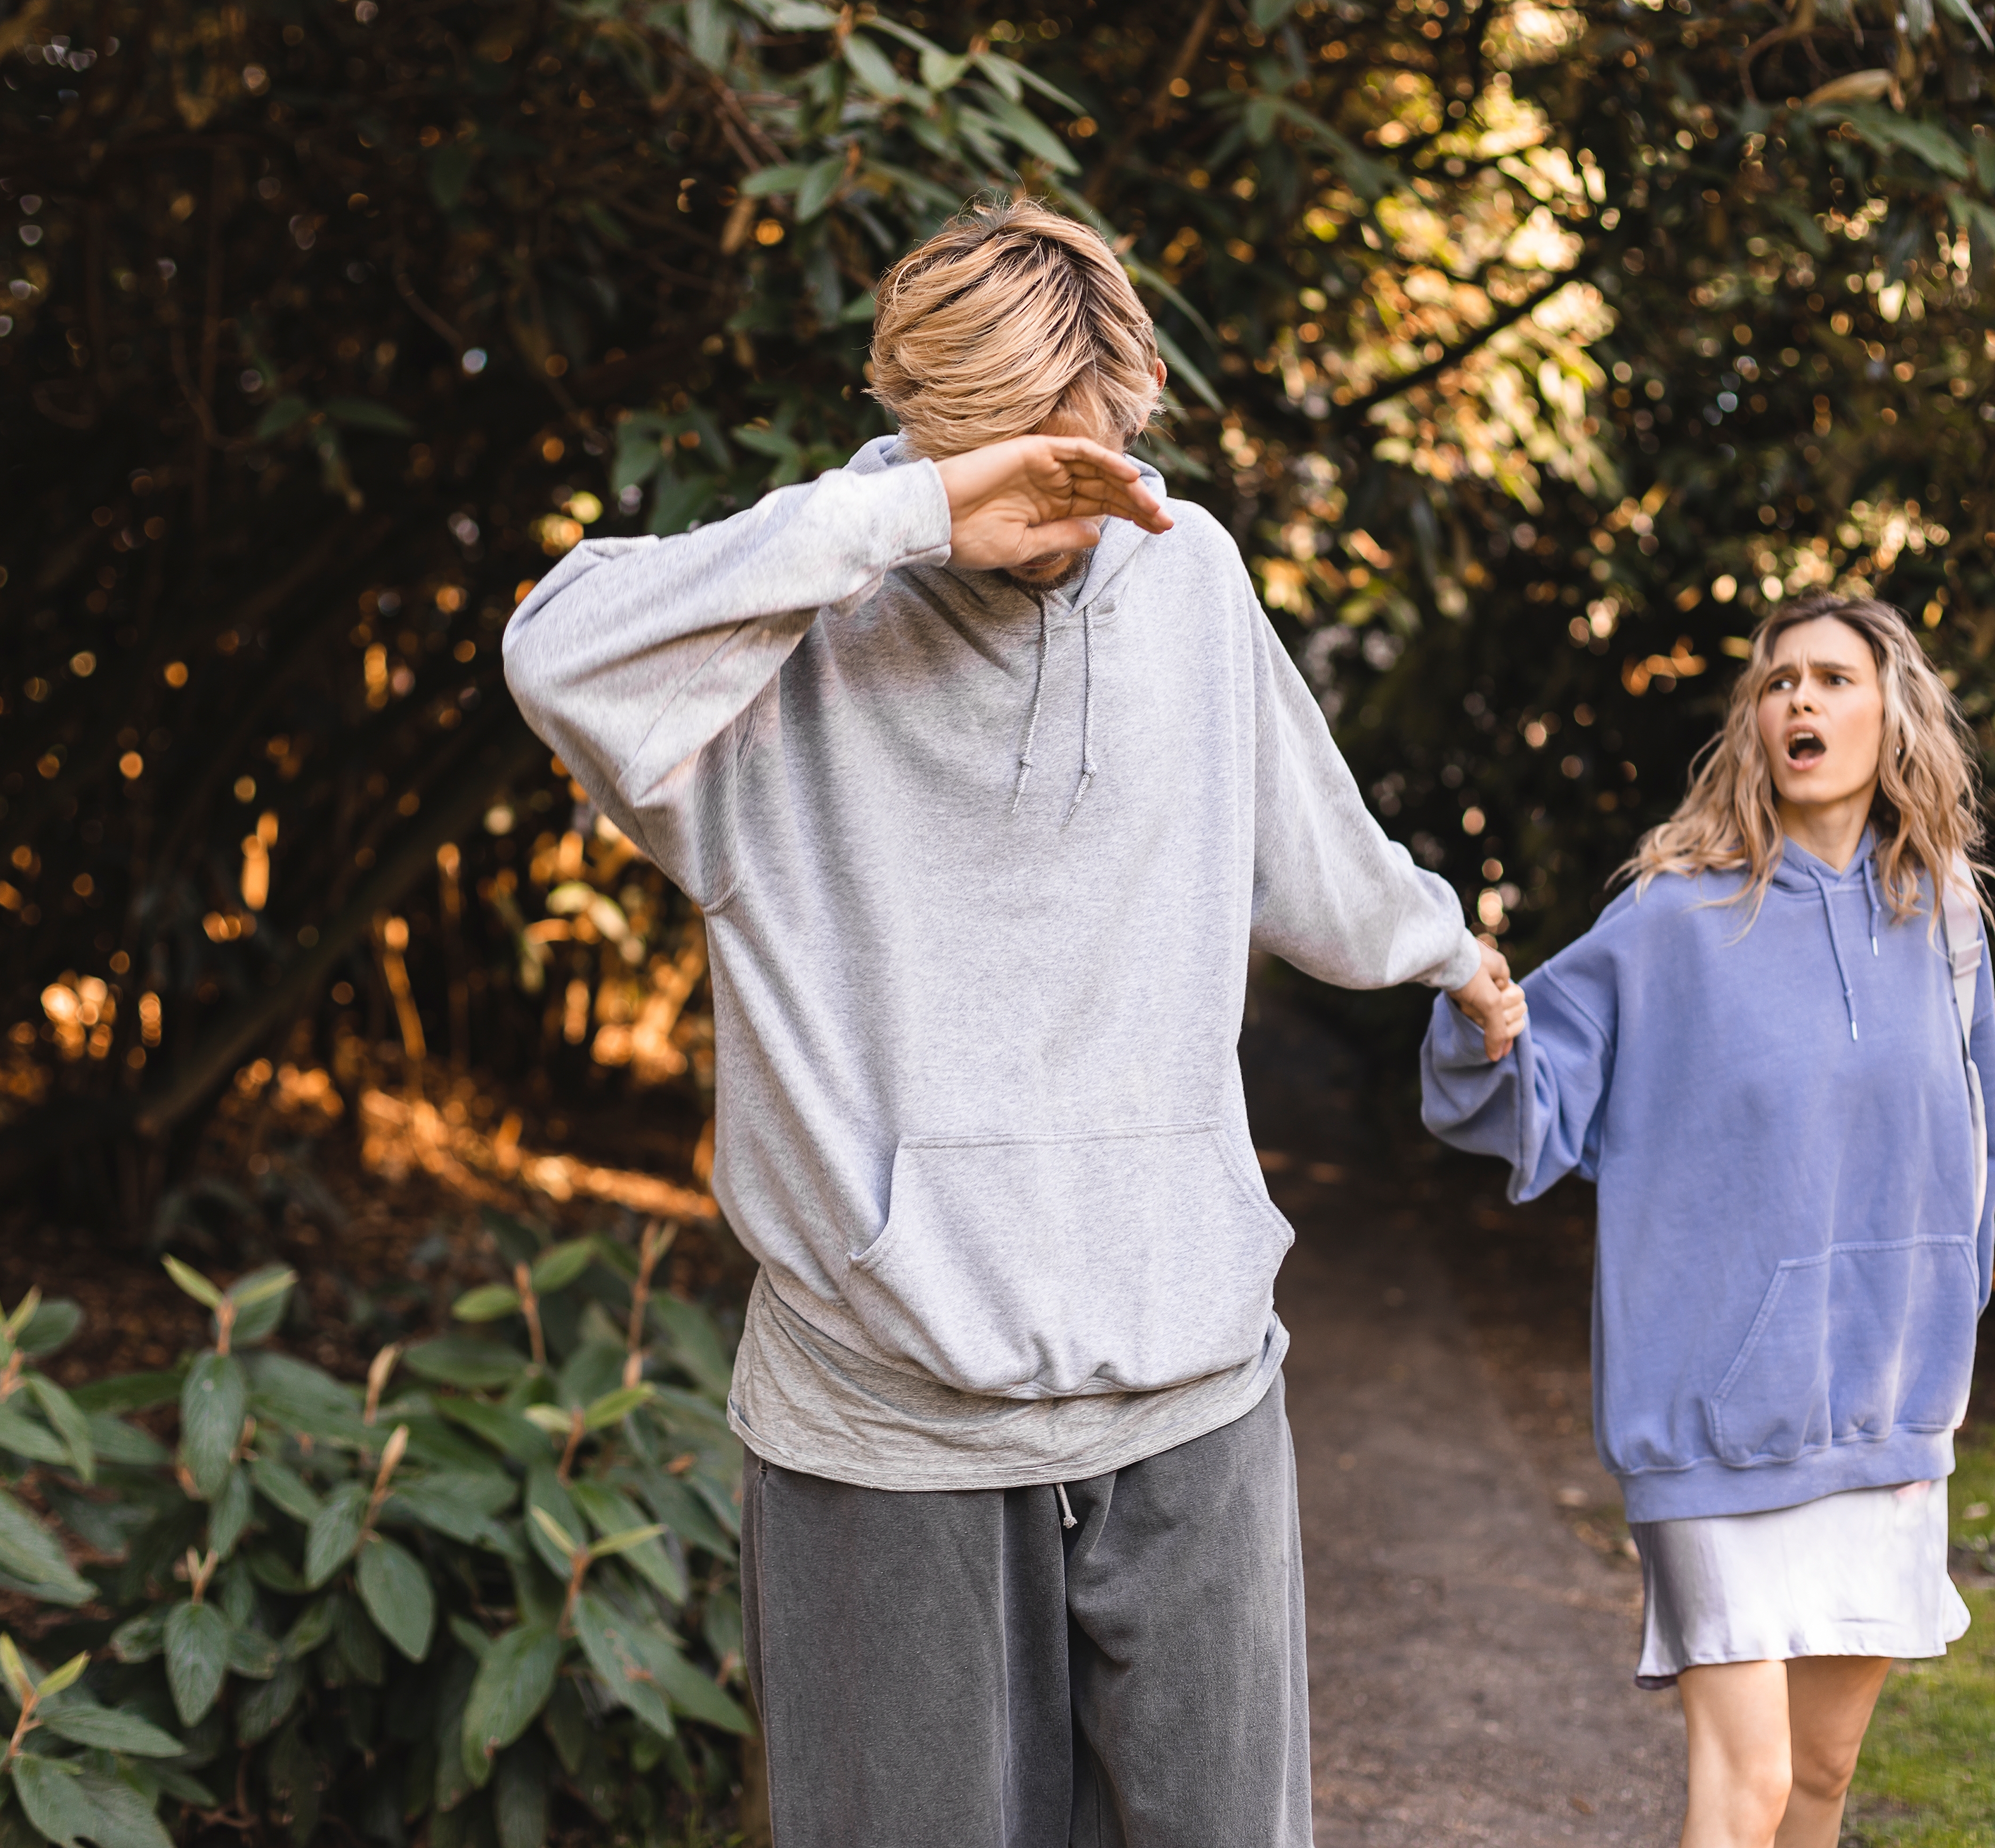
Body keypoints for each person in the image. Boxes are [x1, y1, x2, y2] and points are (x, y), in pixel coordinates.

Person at [503, 196, 1524, 1847]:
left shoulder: (1185, 579)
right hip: (882, 1413)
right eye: (1010, 453)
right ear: (920, 424)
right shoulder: (786, 625)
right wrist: (905, 519)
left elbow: (1307, 833)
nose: (1068, 493)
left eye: (1092, 442)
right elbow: (559, 655)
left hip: (1190, 1389)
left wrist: (1441, 950)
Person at [1418, 592, 1995, 1848]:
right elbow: (1535, 1091)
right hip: (1710, 1421)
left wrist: (1943, 1329)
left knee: (1821, 1780)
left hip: (1883, 1420)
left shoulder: (1946, 919)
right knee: (1739, 1790)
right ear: (1754, 723)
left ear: (1889, 712)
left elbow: (1975, 1146)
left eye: (1831, 678)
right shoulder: (1674, 917)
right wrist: (1480, 1018)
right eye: (1777, 681)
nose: (1798, 698)